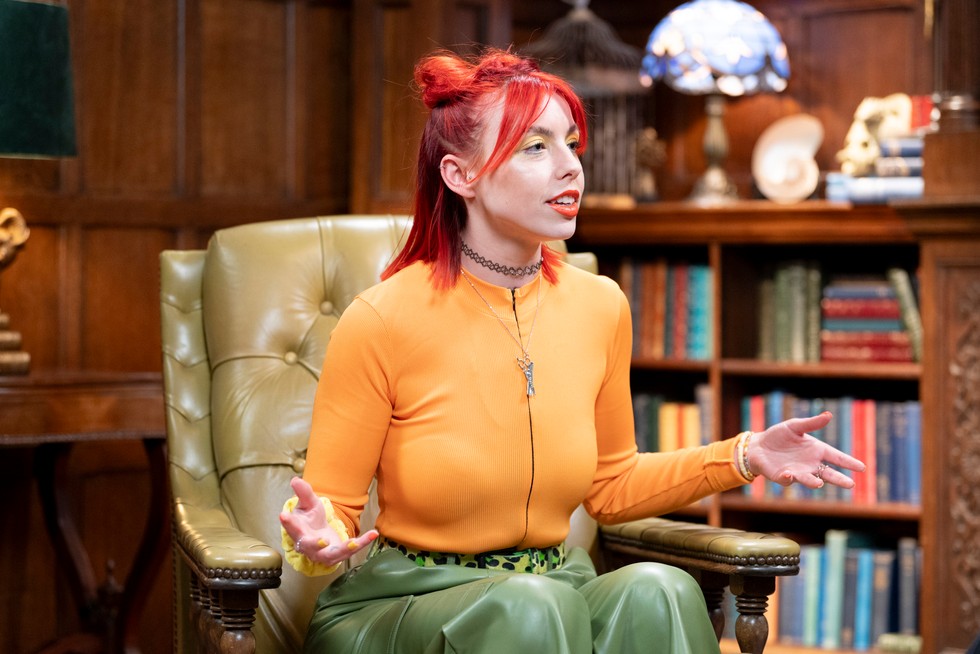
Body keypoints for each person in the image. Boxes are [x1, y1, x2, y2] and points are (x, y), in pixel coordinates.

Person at [278, 47, 865, 654]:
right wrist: (319, 535)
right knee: (532, 605)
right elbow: (330, 511)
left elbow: (612, 486)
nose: (571, 168)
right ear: (460, 176)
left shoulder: (599, 305)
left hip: (556, 587)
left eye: (572, 144)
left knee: (661, 589)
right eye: (536, 147)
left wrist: (746, 454)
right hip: (405, 601)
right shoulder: (381, 318)